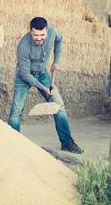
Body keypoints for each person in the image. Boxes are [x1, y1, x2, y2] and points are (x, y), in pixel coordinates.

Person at [8, 17, 83, 154]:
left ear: (47, 31)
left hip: (43, 74)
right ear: (30, 31)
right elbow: (25, 75)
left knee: (58, 105)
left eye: (42, 35)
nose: (39, 38)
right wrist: (43, 88)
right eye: (36, 35)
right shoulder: (23, 46)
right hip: (24, 76)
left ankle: (67, 142)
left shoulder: (53, 31)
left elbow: (60, 39)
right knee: (16, 110)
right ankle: (13, 143)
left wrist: (56, 61)